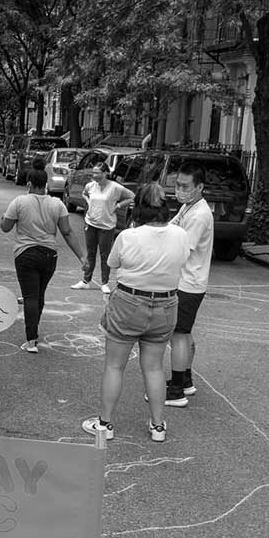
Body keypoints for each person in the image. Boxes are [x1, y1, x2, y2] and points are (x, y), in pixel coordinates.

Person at [81, 183, 190, 444]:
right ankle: (158, 426)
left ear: (137, 208)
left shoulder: (128, 236)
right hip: (166, 304)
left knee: (114, 365)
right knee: (153, 367)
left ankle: (105, 424)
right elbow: (183, 260)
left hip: (129, 302)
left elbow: (112, 263)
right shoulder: (180, 234)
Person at [0, 160, 86, 353]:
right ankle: (34, 332)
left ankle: (31, 341)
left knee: (30, 296)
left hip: (26, 253)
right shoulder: (57, 204)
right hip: (49, 254)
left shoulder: (19, 202)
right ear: (46, 184)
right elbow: (67, 232)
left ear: (29, 183)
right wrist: (83, 257)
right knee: (39, 295)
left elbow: (5, 227)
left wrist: (3, 219)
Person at [164, 161, 214, 407]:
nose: (179, 189)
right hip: (186, 281)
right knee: (184, 333)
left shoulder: (199, 214)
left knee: (179, 335)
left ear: (199, 187)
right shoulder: (187, 207)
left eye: (185, 186)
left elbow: (183, 249)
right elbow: (170, 227)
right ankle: (185, 380)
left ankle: (176, 391)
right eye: (177, 184)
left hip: (188, 284)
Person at [71, 162, 134, 293]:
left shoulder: (115, 187)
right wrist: (88, 202)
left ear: (105, 173)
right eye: (93, 173)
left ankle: (104, 282)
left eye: (97, 173)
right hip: (91, 223)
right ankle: (85, 280)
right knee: (90, 254)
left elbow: (131, 196)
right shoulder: (91, 186)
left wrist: (118, 206)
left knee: (105, 255)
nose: (94, 175)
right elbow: (84, 193)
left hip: (107, 225)